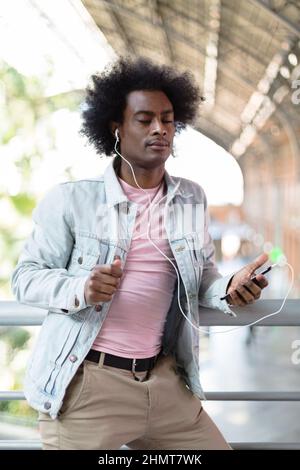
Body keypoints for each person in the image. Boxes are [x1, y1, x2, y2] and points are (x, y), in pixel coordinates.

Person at [11, 57, 268, 450]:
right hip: (90, 386)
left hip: (164, 382)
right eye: (144, 119)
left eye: (167, 119)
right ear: (116, 128)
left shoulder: (190, 198)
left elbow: (202, 275)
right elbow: (25, 277)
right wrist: (83, 287)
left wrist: (229, 288)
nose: (160, 129)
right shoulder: (71, 200)